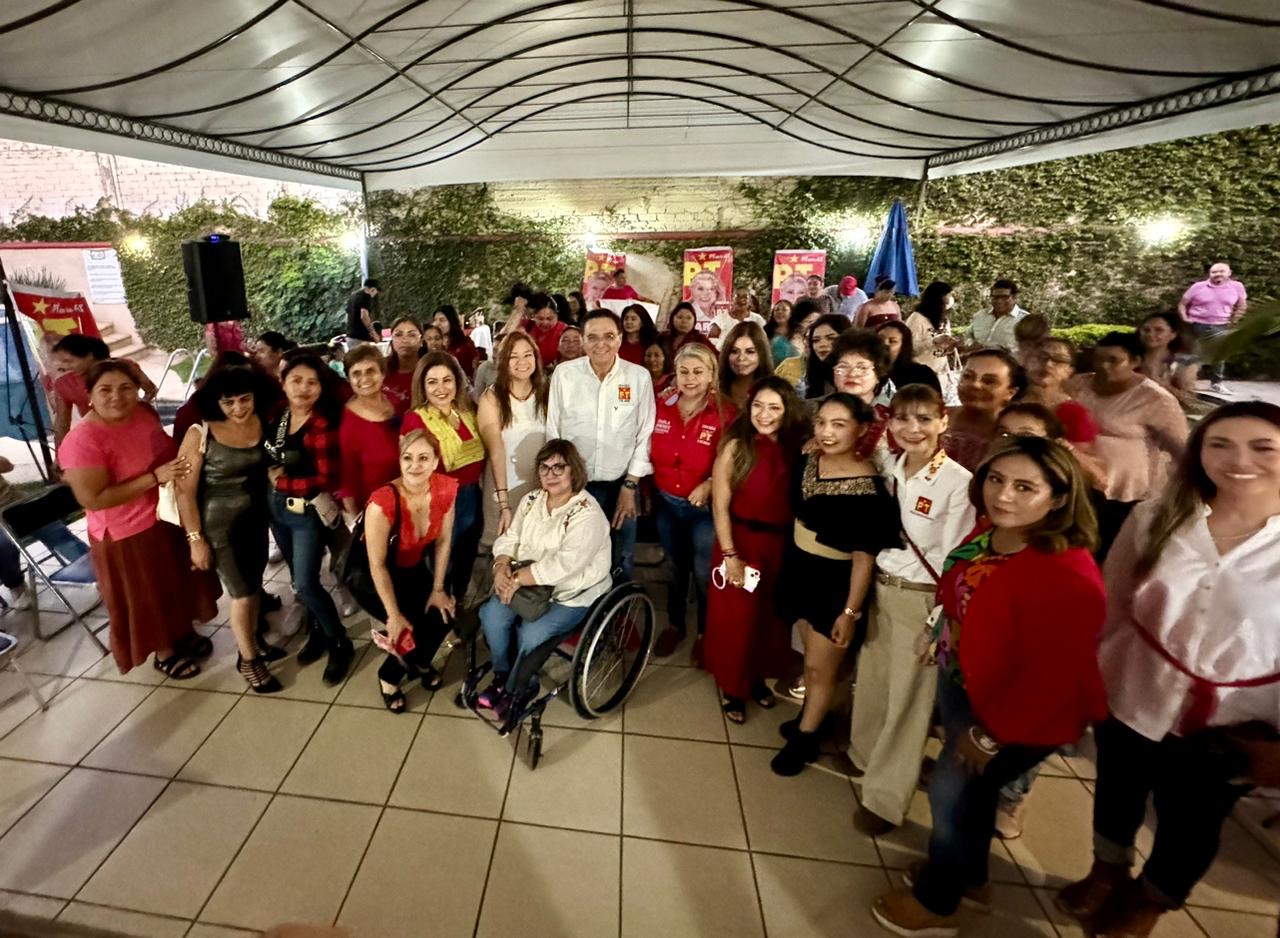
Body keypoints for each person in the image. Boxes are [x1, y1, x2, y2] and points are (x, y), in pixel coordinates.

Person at [1056, 402, 1280, 938]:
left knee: (1193, 820)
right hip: (1137, 683)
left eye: (1263, 448)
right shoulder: (1161, 515)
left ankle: (1151, 900)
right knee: (1118, 787)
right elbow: (1113, 599)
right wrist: (1087, 676)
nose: (1238, 461)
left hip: (1234, 719)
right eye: (1220, 445)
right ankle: (1107, 870)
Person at [872, 436, 1107, 937]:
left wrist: (990, 733)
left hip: (1014, 715)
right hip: (968, 680)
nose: (1003, 495)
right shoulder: (995, 531)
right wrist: (939, 630)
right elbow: (962, 589)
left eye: (1025, 487)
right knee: (974, 796)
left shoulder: (1066, 572)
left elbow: (1054, 676)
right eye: (996, 480)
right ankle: (969, 878)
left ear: (1059, 497)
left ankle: (936, 904)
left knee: (951, 796)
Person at [850, 384, 975, 835]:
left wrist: (937, 622)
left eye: (924, 418)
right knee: (875, 680)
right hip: (880, 587)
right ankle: (864, 754)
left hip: (921, 597)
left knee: (909, 701)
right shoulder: (889, 466)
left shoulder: (958, 482)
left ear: (943, 421)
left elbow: (956, 561)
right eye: (903, 418)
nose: (912, 428)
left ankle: (885, 799)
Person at [59, 361, 221, 678]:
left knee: (174, 584)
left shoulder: (144, 413)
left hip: (166, 515)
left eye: (126, 388)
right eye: (105, 390)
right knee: (146, 597)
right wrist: (153, 478)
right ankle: (164, 651)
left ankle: (182, 633)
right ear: (90, 395)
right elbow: (93, 498)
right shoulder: (83, 441)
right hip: (126, 533)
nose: (117, 397)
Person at [770, 393, 899, 773]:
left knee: (819, 669)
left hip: (834, 583)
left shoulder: (869, 488)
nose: (827, 432)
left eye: (838, 425)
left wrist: (849, 612)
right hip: (800, 569)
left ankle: (805, 739)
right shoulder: (810, 459)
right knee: (809, 657)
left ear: (860, 429)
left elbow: (864, 558)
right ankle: (809, 717)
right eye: (822, 423)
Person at [478, 439, 613, 716]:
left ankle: (520, 687)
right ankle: (502, 675)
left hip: (570, 592)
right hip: (527, 585)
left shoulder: (587, 513)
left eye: (559, 467)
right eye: (544, 467)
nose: (550, 474)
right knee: (491, 616)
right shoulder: (531, 501)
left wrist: (516, 580)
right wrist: (501, 566)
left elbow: (565, 566)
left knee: (531, 633)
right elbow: (511, 537)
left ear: (574, 470)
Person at [175, 366, 283, 693]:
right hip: (219, 526)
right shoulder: (200, 433)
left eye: (244, 399)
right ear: (216, 402)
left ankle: (255, 641)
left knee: (254, 585)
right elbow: (184, 492)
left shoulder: (260, 421)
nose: (238, 408)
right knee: (241, 594)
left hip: (255, 518)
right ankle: (248, 660)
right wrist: (195, 540)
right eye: (229, 402)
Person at [704, 377, 806, 721]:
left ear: (787, 411)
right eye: (758, 406)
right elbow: (720, 506)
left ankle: (757, 677)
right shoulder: (736, 446)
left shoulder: (795, 448)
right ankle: (732, 686)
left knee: (769, 619)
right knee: (736, 620)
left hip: (780, 545)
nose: (764, 414)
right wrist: (730, 555)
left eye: (774, 407)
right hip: (741, 541)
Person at [545, 309, 656, 578]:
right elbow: (553, 431)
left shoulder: (638, 377)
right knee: (577, 556)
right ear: (582, 340)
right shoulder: (565, 374)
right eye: (592, 337)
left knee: (622, 556)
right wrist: (561, 484)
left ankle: (621, 604)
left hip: (622, 484)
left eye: (608, 336)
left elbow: (645, 433)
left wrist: (630, 485)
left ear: (620, 338)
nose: (601, 344)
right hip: (576, 485)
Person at [265, 354, 353, 685]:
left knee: (305, 582)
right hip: (276, 511)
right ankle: (319, 630)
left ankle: (339, 641)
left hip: (305, 513)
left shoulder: (321, 425)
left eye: (311, 382)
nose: (303, 388)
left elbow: (325, 478)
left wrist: (282, 483)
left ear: (321, 387)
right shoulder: (279, 415)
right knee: (299, 578)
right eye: (296, 381)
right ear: (283, 383)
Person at [358, 431, 458, 713]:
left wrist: (438, 589)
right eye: (408, 458)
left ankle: (420, 662)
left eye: (423, 458)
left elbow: (444, 540)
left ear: (435, 462)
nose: (415, 465)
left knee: (443, 615)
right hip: (373, 578)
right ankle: (389, 677)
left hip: (411, 566)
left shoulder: (445, 489)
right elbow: (376, 565)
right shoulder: (382, 502)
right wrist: (393, 615)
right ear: (400, 461)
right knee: (409, 628)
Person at [1066, 331, 1187, 554]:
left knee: (1106, 546)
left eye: (1114, 360)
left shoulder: (1155, 398)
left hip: (1124, 490)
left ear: (1135, 361)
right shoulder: (1078, 384)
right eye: (1099, 359)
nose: (1104, 366)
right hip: (1077, 480)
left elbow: (1180, 447)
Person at [650, 344, 734, 658]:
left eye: (699, 372)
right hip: (667, 502)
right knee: (674, 567)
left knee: (702, 571)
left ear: (712, 375)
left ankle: (704, 632)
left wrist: (711, 482)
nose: (690, 378)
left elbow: (735, 460)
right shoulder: (661, 403)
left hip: (704, 509)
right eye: (684, 371)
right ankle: (675, 625)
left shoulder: (725, 412)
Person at [402, 352, 488, 602]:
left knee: (465, 556)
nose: (441, 388)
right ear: (422, 385)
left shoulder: (467, 412)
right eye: (432, 382)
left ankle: (458, 600)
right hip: (439, 503)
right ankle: (441, 609)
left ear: (457, 382)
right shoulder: (415, 420)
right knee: (442, 563)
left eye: (447, 380)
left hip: (472, 496)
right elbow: (410, 473)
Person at [476, 332, 549, 559]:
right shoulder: (492, 398)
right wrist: (504, 503)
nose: (522, 362)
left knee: (533, 549)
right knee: (502, 549)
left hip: (541, 488)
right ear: (503, 361)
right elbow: (496, 450)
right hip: (504, 486)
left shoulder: (546, 393)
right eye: (513, 356)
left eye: (527, 355)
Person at [0, 457, 89, 611]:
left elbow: (8, 467)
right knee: (3, 546)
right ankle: (16, 585)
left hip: (17, 506)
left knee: (56, 533)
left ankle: (100, 572)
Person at [50, 334, 157, 446]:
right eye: (63, 362)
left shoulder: (125, 368)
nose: (65, 367)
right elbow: (62, 422)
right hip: (99, 437)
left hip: (136, 430)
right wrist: (59, 452)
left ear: (89, 356)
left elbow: (151, 390)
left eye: (69, 361)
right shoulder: (64, 384)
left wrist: (138, 409)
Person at [338, 345, 401, 521]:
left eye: (370, 371)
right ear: (349, 379)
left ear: (382, 373)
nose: (364, 378)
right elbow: (347, 481)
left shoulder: (395, 401)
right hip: (378, 513)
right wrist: (358, 522)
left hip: (411, 500)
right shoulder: (349, 425)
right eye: (356, 373)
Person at [942, 349, 1024, 471]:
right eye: (968, 376)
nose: (975, 385)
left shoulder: (1015, 434)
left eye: (989, 381)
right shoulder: (935, 417)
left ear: (1011, 392)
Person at [829, 330, 898, 474]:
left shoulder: (892, 418)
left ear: (878, 374)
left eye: (862, 368)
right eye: (843, 367)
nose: (852, 374)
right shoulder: (814, 413)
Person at [1178, 262, 1247, 392]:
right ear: (1209, 274)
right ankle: (1186, 382)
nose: (1218, 274)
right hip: (1196, 324)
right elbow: (1182, 304)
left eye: (1221, 271)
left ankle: (1216, 383)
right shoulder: (1198, 287)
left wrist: (1235, 320)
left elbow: (1242, 305)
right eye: (1214, 272)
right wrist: (1185, 318)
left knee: (1219, 355)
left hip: (1221, 325)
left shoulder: (1237, 287)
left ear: (1229, 273)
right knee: (1193, 353)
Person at [779, 312, 845, 399]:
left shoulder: (854, 374)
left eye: (831, 338)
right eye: (816, 340)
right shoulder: (810, 376)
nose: (822, 344)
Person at [1137, 311, 1198, 400]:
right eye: (1146, 330)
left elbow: (1189, 399)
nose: (1150, 334)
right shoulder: (1130, 356)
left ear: (1173, 335)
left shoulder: (1183, 362)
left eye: (1159, 330)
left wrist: (1159, 382)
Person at [718, 322, 773, 411]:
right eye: (734, 351)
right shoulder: (715, 388)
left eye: (750, 352)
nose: (741, 358)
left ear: (762, 354)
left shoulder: (774, 391)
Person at [906, 281, 958, 375]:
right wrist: (932, 342)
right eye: (949, 295)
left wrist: (950, 345)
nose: (950, 299)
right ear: (939, 297)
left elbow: (943, 350)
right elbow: (909, 349)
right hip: (920, 373)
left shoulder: (944, 320)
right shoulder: (917, 318)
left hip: (940, 374)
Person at [878, 320, 942, 394]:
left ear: (903, 346)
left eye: (892, 341)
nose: (884, 344)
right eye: (880, 339)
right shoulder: (870, 372)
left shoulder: (922, 375)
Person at [966, 279, 1027, 352]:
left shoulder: (1025, 320)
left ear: (1014, 297)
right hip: (977, 358)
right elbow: (968, 337)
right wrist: (970, 344)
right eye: (996, 297)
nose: (999, 301)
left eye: (1004, 297)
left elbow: (1032, 349)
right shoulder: (980, 316)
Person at [383, 317, 426, 413]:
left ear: (421, 341)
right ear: (392, 340)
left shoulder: (430, 370)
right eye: (398, 335)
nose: (404, 340)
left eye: (411, 335)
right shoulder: (380, 368)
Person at [431, 305, 479, 379]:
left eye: (442, 320)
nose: (437, 324)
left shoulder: (465, 343)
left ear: (452, 321)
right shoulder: (432, 345)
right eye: (435, 320)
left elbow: (475, 368)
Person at [521, 293, 568, 367]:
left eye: (549, 318)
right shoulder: (528, 325)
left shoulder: (564, 330)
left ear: (556, 316)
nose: (545, 322)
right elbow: (503, 339)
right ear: (534, 317)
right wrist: (518, 310)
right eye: (540, 318)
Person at [346, 278, 380, 343]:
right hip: (360, 337)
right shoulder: (366, 296)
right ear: (373, 289)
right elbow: (364, 317)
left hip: (350, 336)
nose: (374, 296)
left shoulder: (353, 296)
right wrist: (374, 334)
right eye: (375, 293)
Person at [764, 299, 798, 364]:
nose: (780, 312)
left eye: (784, 309)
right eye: (777, 310)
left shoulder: (798, 332)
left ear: (791, 313)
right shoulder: (766, 332)